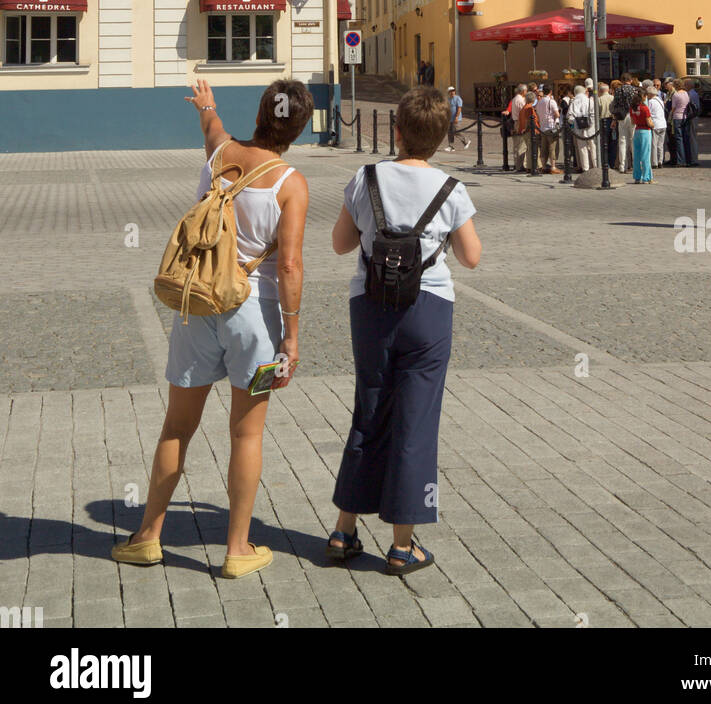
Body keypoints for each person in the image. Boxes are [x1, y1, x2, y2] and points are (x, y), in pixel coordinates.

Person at [112, 77, 313, 578]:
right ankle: (237, 549)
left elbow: (212, 126)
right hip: (257, 317)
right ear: (301, 127)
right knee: (247, 434)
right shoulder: (291, 184)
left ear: (263, 112)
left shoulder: (220, 153)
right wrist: (291, 337)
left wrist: (207, 104)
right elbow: (289, 267)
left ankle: (147, 537)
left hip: (197, 305)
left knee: (177, 426)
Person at [329, 87, 481, 573]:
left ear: (395, 131)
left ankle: (343, 531)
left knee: (368, 409)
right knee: (415, 423)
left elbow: (339, 243)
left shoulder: (365, 176)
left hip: (370, 306)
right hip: (429, 307)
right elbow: (471, 257)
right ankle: (402, 544)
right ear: (441, 138)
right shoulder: (451, 188)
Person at [612, 73, 641, 172]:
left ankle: (622, 166)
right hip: (632, 115)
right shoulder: (635, 90)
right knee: (633, 140)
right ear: (631, 80)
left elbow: (615, 105)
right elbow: (638, 104)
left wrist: (614, 119)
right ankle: (636, 164)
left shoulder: (618, 90)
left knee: (622, 141)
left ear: (621, 80)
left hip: (621, 116)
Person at [567, 83, 597, 173]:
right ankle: (595, 166)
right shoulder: (589, 101)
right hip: (590, 128)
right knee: (593, 146)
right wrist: (590, 123)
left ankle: (585, 168)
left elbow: (569, 116)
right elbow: (593, 114)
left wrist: (575, 124)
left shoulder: (573, 102)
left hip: (578, 128)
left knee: (582, 148)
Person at [536, 83, 563, 174]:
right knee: (552, 147)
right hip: (550, 127)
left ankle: (543, 166)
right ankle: (553, 167)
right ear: (551, 91)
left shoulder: (539, 102)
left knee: (543, 147)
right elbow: (557, 114)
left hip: (542, 127)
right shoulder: (551, 101)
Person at [630, 92, 654, 183]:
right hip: (645, 131)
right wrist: (653, 124)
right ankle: (646, 177)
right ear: (643, 97)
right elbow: (649, 122)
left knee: (636, 155)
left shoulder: (632, 108)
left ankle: (637, 177)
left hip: (637, 130)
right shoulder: (645, 108)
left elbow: (632, 122)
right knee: (645, 155)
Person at [517, 87, 542, 171]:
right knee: (533, 150)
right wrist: (528, 129)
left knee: (529, 149)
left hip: (525, 131)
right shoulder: (529, 108)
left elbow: (520, 121)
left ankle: (530, 166)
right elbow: (530, 120)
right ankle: (533, 166)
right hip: (531, 131)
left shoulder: (523, 108)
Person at [669, 81, 693, 166]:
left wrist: (670, 116)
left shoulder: (676, 95)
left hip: (677, 117)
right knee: (686, 139)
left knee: (679, 139)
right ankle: (688, 159)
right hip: (685, 117)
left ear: (675, 86)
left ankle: (680, 161)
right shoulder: (686, 93)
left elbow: (673, 108)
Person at [509, 83, 528, 172]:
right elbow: (523, 113)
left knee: (517, 145)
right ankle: (520, 165)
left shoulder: (514, 99)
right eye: (526, 90)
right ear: (523, 91)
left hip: (516, 122)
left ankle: (517, 164)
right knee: (521, 145)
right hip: (520, 122)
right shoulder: (520, 100)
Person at [646, 86, 667, 168]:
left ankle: (654, 162)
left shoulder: (651, 101)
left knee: (654, 144)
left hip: (655, 124)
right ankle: (660, 161)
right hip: (663, 124)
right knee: (660, 145)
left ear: (650, 94)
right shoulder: (660, 100)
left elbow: (648, 113)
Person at [445, 85, 470, 151]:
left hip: (456, 119)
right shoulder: (449, 99)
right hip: (450, 119)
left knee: (456, 131)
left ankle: (466, 141)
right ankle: (451, 146)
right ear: (448, 92)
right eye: (450, 91)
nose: (452, 92)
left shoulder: (458, 98)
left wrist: (456, 117)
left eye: (453, 91)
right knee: (450, 132)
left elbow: (459, 108)